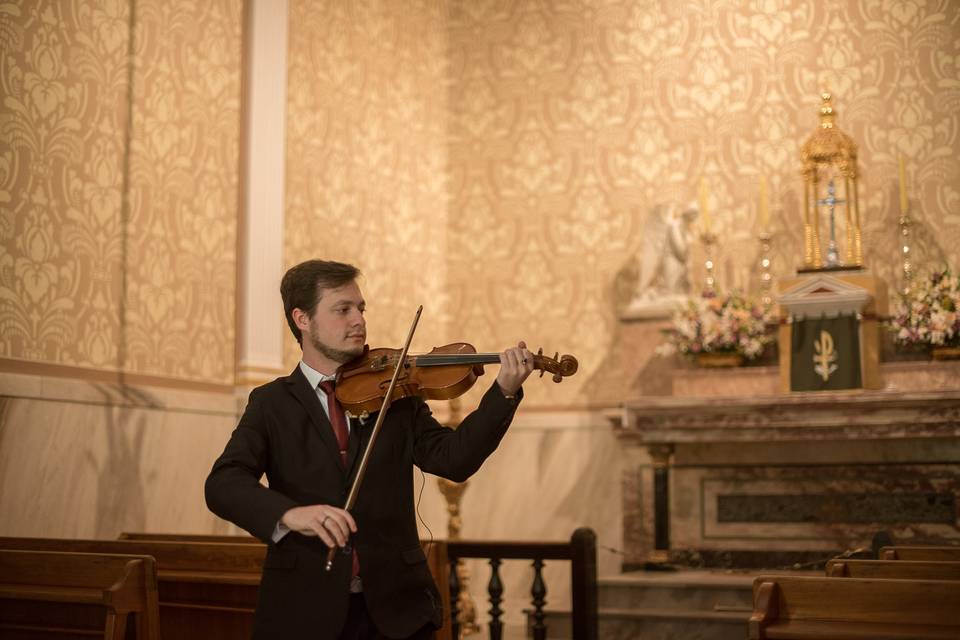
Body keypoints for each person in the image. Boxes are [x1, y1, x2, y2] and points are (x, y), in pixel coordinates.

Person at [205, 259, 534, 640]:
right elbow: (223, 484)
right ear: (303, 319)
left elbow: (453, 459)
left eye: (360, 308)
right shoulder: (271, 403)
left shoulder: (394, 391)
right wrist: (291, 515)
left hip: (398, 614)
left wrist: (503, 392)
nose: (358, 320)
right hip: (304, 613)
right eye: (342, 310)